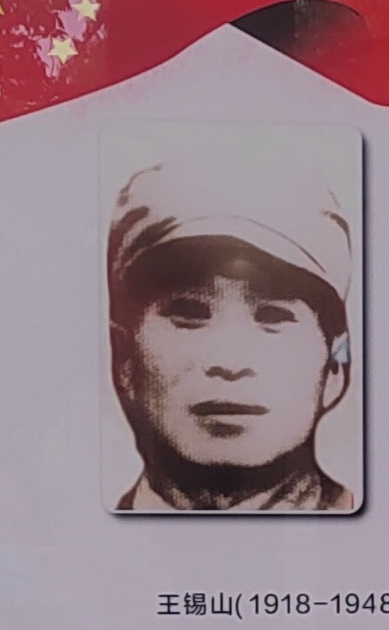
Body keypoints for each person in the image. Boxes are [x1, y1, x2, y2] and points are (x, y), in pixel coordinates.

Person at [106, 157, 360, 512]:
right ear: (124, 358)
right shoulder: (80, 538)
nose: (229, 362)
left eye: (273, 315)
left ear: (334, 369)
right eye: (189, 314)